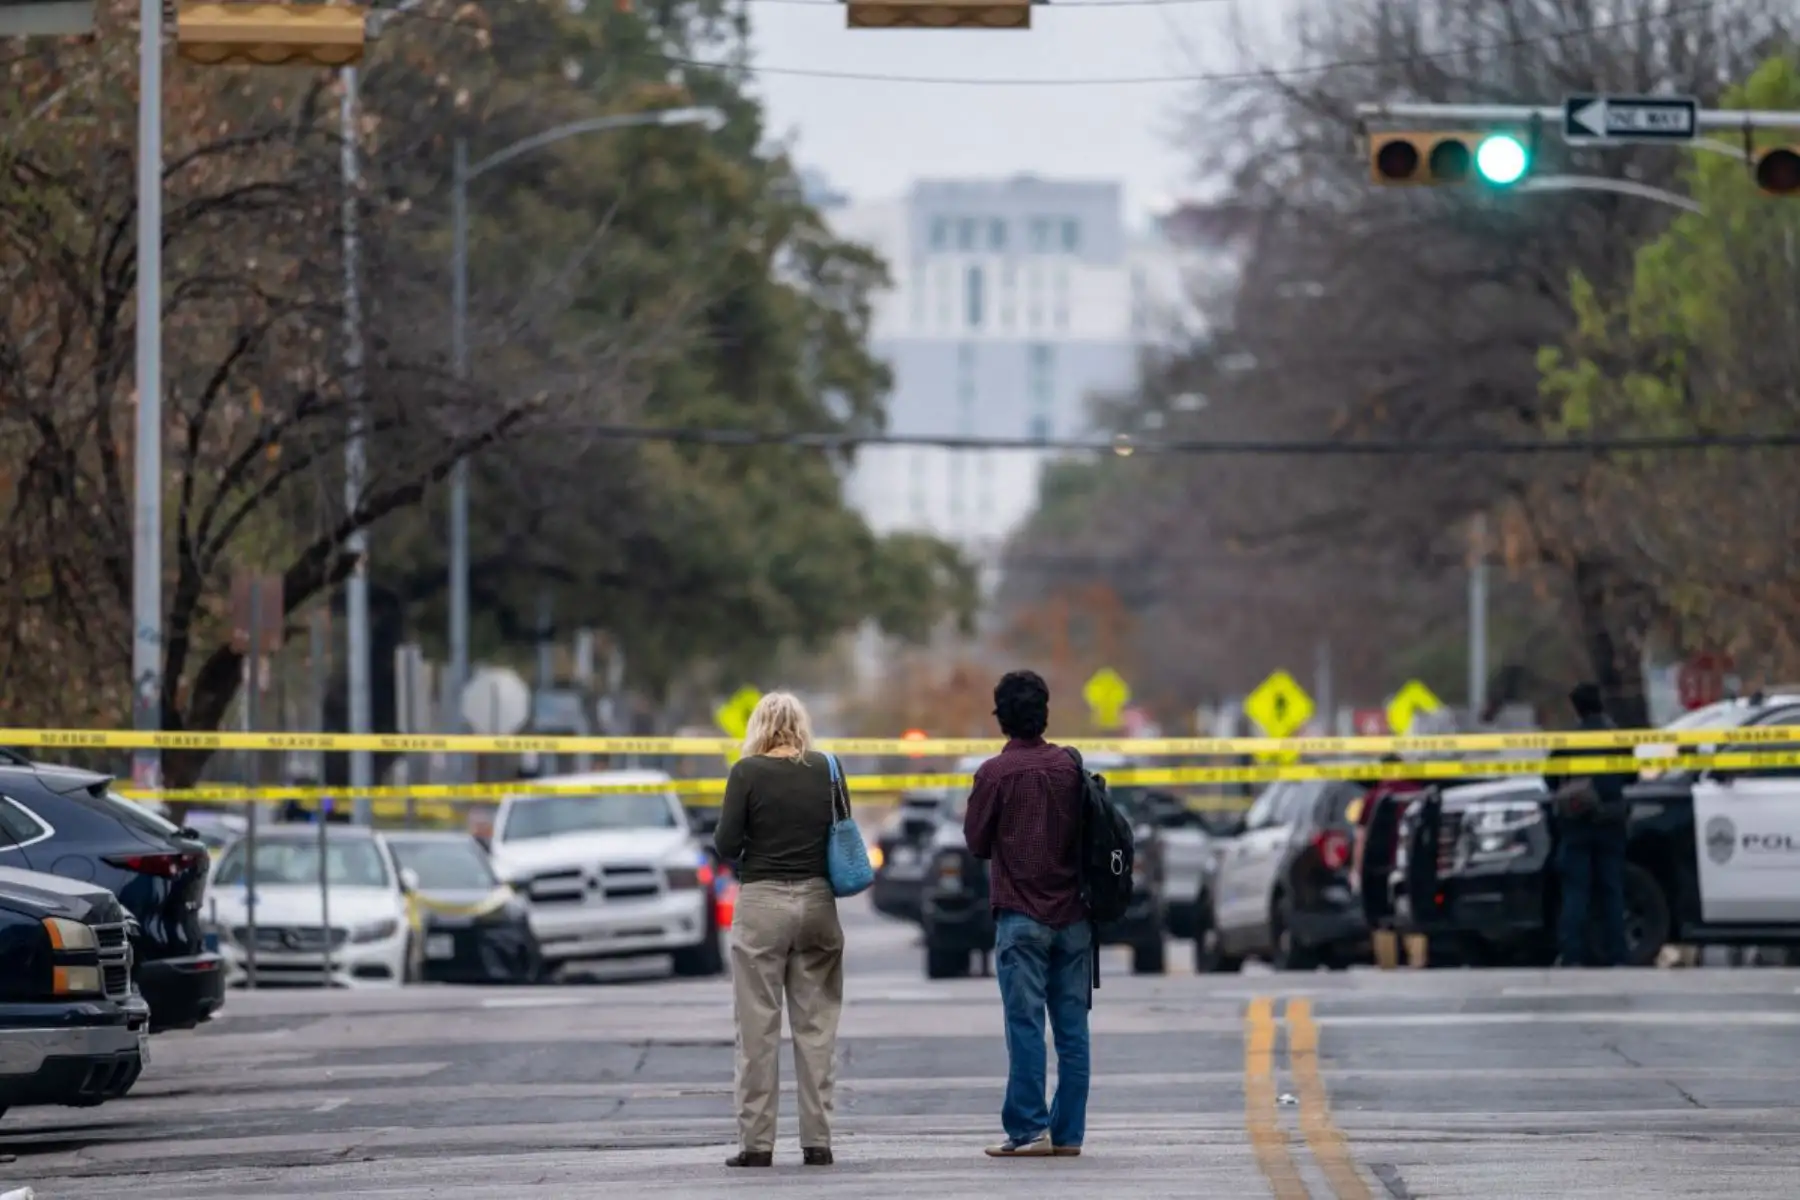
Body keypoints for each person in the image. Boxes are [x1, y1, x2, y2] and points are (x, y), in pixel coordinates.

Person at [713, 691, 846, 1168]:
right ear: (800, 725)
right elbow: (841, 830)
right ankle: (818, 1141)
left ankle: (756, 1144)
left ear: (759, 726)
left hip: (762, 903)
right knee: (816, 1029)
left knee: (757, 1029)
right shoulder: (827, 769)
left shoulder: (746, 773)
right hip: (817, 902)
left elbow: (726, 844)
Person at [963, 669, 1091, 1159]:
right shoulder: (1069, 768)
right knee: (1073, 1028)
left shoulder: (994, 774)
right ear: (1044, 713)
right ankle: (1070, 1133)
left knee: (1026, 1025)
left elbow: (976, 842)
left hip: (1020, 917)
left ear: (1002, 719)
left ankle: (1029, 1128)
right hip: (1075, 917)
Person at [1550, 682, 1633, 967]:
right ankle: (1617, 954)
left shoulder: (1568, 740)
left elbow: (1549, 778)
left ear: (1576, 708)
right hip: (1611, 822)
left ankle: (1573, 954)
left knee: (1576, 892)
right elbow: (1631, 777)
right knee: (1612, 891)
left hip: (1577, 824)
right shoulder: (1618, 739)